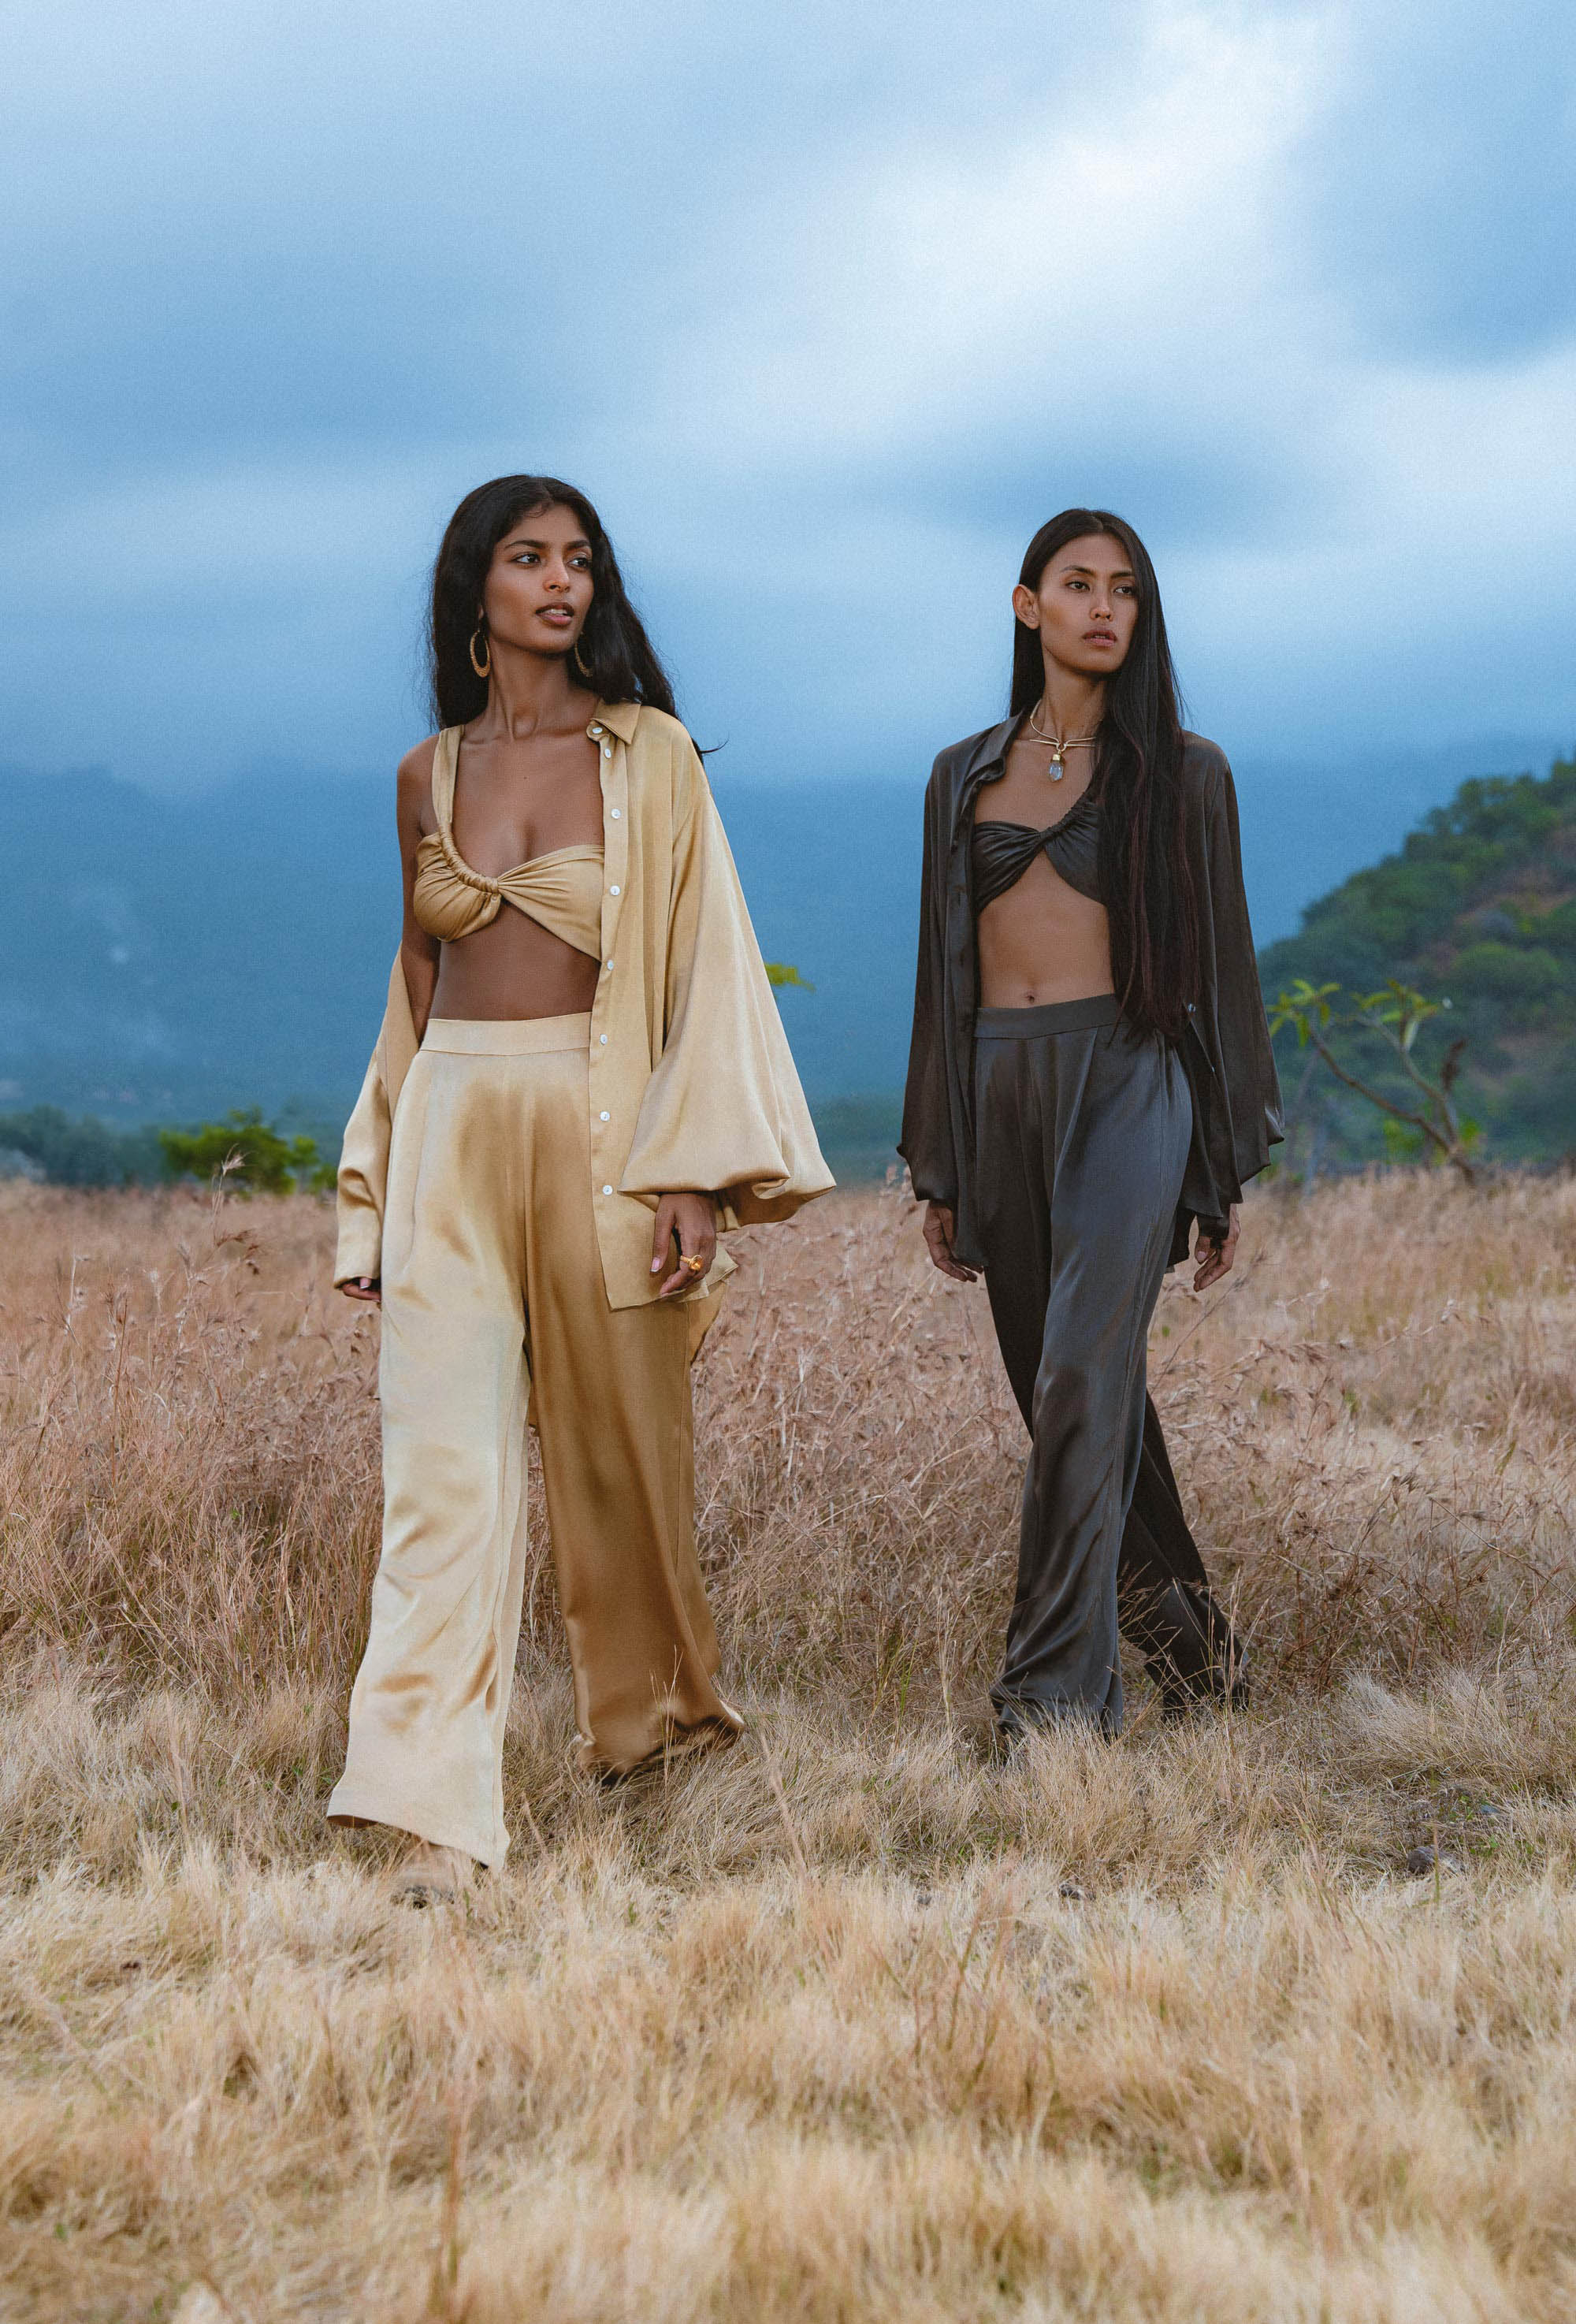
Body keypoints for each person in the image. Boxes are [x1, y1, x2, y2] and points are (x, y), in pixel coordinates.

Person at [329, 474, 833, 1896]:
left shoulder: (652, 756)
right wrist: (371, 1187)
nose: (562, 582)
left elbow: (703, 967)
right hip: (451, 1124)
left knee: (624, 1468)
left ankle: (659, 1738)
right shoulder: (428, 774)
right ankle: (429, 1801)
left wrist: (692, 1173)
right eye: (529, 558)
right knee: (440, 1470)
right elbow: (413, 985)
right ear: (474, 588)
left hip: (604, 1128)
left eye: (581, 561)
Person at [900, 507, 1281, 1740]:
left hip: (1131, 1082)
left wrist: (1219, 1163)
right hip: (1000, 1085)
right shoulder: (960, 775)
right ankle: (1198, 1658)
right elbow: (938, 979)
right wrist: (940, 1157)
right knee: (1073, 1393)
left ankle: (1051, 1705)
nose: (1104, 607)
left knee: (1079, 1377)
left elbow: (1222, 970)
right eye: (1078, 585)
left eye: (1125, 588)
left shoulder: (1186, 770)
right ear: (1029, 607)